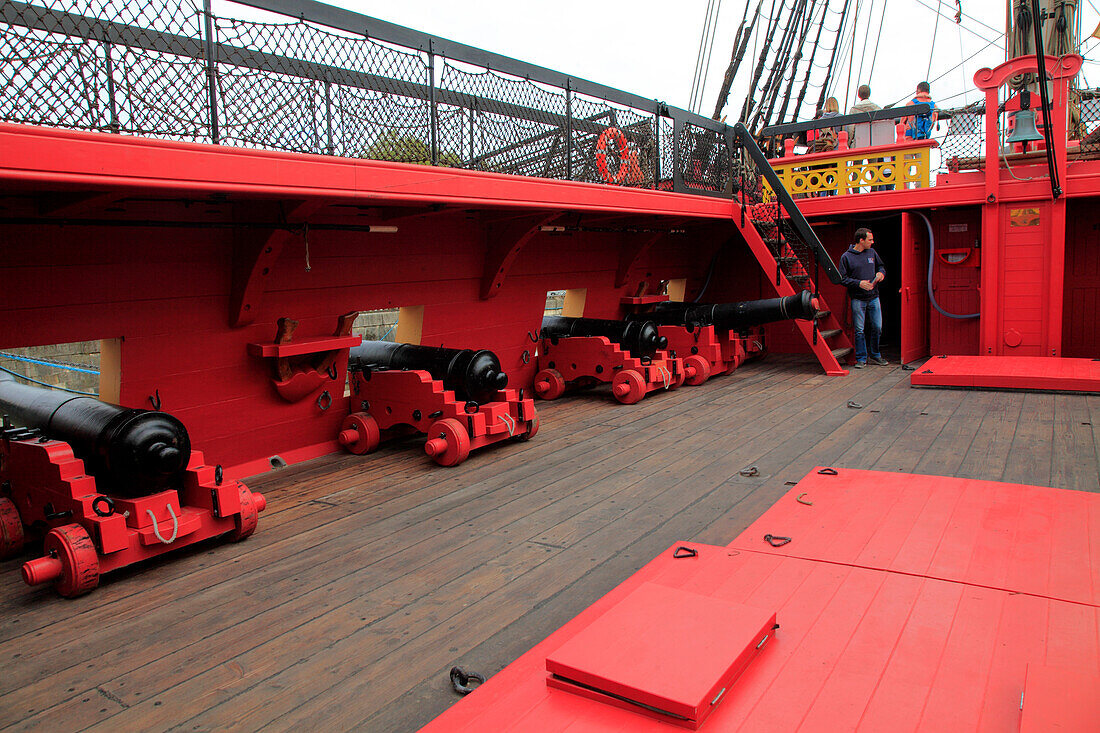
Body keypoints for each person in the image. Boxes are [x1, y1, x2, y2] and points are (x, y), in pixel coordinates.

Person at [839, 228, 888, 367]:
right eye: (870, 240)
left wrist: (881, 274)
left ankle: (875, 355)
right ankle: (861, 358)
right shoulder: (846, 257)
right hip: (857, 299)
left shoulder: (872, 252)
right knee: (859, 329)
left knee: (877, 327)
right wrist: (859, 283)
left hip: (874, 297)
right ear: (861, 240)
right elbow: (842, 279)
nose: (873, 242)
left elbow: (881, 266)